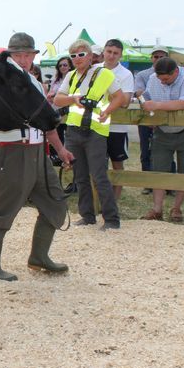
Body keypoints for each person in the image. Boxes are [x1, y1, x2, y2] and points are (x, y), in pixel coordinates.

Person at [0, 32, 74, 282]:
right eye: (19, 55)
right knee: (3, 211)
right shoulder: (1, 81)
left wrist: (61, 150)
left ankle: (39, 257)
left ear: (33, 56)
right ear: (10, 56)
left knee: (56, 203)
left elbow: (48, 122)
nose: (23, 59)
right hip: (12, 151)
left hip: (37, 151)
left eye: (28, 55)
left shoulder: (33, 81)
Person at [54, 39, 127, 229]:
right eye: (73, 56)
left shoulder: (104, 73)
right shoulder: (70, 76)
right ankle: (87, 216)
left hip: (95, 131)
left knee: (99, 176)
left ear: (90, 56)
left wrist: (107, 111)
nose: (77, 59)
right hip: (74, 131)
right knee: (79, 176)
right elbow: (58, 100)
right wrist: (73, 98)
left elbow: (120, 96)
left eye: (81, 54)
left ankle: (111, 219)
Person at [139, 57, 184, 222]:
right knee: (158, 169)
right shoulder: (154, 79)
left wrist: (157, 106)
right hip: (162, 130)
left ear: (175, 72)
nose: (163, 82)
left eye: (166, 79)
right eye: (160, 79)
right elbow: (146, 96)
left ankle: (177, 208)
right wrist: (145, 104)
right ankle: (157, 209)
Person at [102, 39, 135, 200]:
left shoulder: (126, 74)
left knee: (117, 164)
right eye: (109, 52)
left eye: (115, 53)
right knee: (97, 165)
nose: (111, 56)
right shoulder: (94, 69)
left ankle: (114, 200)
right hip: (97, 126)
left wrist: (108, 97)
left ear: (121, 55)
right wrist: (116, 97)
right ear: (103, 51)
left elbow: (126, 101)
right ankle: (100, 199)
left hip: (117, 127)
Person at [134, 46, 169, 192]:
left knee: (167, 150)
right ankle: (148, 183)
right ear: (151, 58)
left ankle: (168, 184)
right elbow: (140, 93)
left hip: (166, 117)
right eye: (156, 56)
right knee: (146, 150)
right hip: (146, 116)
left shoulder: (172, 72)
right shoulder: (143, 74)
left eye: (162, 57)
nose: (158, 59)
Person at [46, 55, 72, 151]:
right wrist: (50, 96)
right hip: (56, 113)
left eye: (65, 65)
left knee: (70, 140)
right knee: (57, 137)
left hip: (69, 113)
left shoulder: (74, 79)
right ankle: (57, 159)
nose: (62, 67)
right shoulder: (55, 80)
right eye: (60, 65)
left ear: (70, 66)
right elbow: (50, 95)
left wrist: (56, 98)